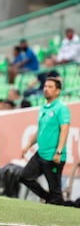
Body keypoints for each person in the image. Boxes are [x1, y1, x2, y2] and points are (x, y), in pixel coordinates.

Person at [20, 77, 70, 205]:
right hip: (41, 153)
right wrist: (28, 145)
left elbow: (64, 130)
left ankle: (58, 207)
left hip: (53, 156)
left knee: (55, 191)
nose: (46, 89)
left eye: (50, 87)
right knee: (25, 177)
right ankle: (48, 198)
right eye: (45, 86)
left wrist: (58, 152)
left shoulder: (61, 108)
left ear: (58, 91)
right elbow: (40, 130)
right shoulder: (43, 108)